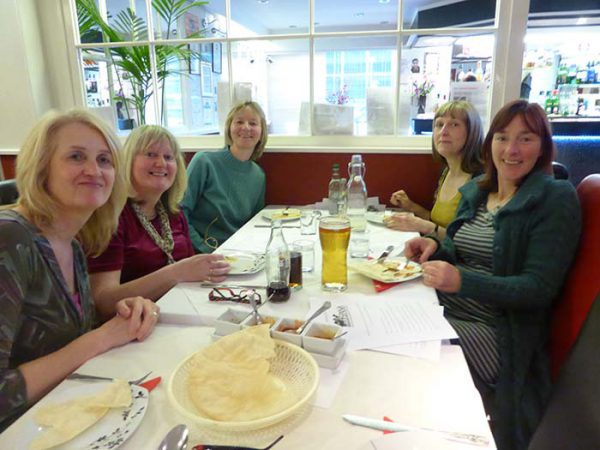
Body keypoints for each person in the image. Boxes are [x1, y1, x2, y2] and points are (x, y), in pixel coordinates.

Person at [405, 100, 581, 450]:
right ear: (490, 144)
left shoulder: (554, 199)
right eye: (502, 137)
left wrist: (461, 280)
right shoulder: (480, 192)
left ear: (543, 146)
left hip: (498, 334)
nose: (512, 149)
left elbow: (538, 289)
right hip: (449, 308)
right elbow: (459, 251)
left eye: (526, 139)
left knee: (401, 354)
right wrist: (433, 247)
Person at [0, 109, 158, 431]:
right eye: (76, 156)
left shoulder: (72, 244)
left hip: (64, 417)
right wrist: (98, 339)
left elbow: (67, 338)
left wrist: (121, 313)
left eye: (104, 160)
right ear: (41, 168)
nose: (94, 170)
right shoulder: (10, 237)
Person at [88, 125, 230, 312]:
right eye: (151, 154)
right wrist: (177, 273)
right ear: (128, 161)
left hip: (181, 312)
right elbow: (103, 302)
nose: (161, 163)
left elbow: (189, 272)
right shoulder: (112, 216)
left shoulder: (173, 212)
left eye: (168, 157)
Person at [385, 100, 483, 239]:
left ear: (472, 132)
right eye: (439, 124)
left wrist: (421, 225)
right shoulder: (446, 172)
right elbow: (437, 222)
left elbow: (469, 243)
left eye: (454, 124)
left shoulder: (480, 180)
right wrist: (410, 206)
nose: (443, 131)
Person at [182, 101, 267, 253]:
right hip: (201, 254)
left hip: (239, 255)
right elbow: (180, 211)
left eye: (253, 123)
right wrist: (204, 250)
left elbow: (254, 224)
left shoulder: (258, 176)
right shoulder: (204, 162)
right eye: (239, 121)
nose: (246, 127)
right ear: (229, 128)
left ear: (262, 132)